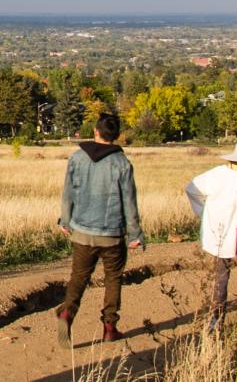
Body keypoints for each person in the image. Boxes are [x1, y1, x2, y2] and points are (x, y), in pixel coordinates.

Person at [55, 114, 144, 346]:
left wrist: (65, 220)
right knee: (113, 278)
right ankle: (109, 327)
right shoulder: (122, 164)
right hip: (112, 235)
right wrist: (134, 234)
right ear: (116, 136)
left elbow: (68, 192)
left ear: (95, 131)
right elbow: (129, 202)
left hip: (82, 231)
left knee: (79, 277)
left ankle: (67, 313)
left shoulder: (77, 158)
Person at [185, 140, 237, 330]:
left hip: (215, 231)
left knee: (220, 276)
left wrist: (204, 213)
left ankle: (216, 317)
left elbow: (191, 189)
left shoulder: (216, 173)